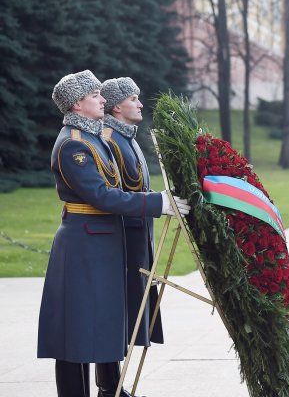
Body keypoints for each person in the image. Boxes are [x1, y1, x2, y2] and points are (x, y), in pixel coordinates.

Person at [37, 70, 190, 397]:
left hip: (101, 243)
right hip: (83, 245)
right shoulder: (72, 145)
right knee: (74, 331)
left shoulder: (92, 137)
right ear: (78, 104)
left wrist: (155, 200)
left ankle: (110, 390)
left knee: (101, 323)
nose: (103, 100)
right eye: (95, 96)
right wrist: (155, 203)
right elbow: (102, 196)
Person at [101, 79, 165, 363]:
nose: (140, 104)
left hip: (139, 234)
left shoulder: (126, 136)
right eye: (133, 99)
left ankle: (112, 385)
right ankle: (109, 386)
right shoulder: (110, 139)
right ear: (117, 107)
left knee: (130, 312)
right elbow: (115, 194)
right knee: (120, 311)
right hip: (124, 237)